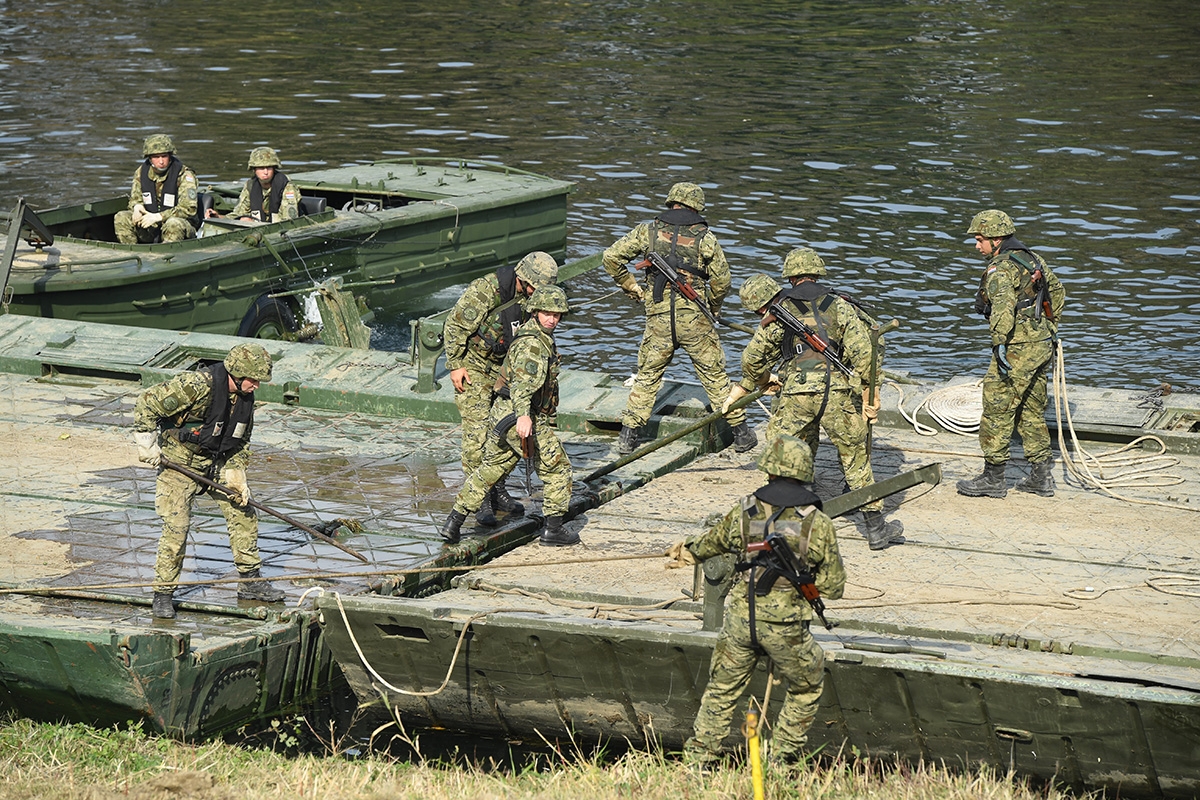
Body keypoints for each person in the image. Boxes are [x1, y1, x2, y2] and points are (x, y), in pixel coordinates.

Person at [667, 434, 846, 767]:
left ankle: (698, 760)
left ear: (770, 470)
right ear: (805, 471)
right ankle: (781, 759)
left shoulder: (746, 510)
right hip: (785, 628)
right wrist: (803, 583)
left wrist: (686, 550)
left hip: (740, 619)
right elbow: (834, 586)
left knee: (721, 690)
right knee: (807, 686)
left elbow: (712, 543)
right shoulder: (817, 523)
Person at [726, 249, 903, 550]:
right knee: (855, 458)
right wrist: (870, 393)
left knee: (785, 453)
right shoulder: (839, 305)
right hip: (837, 392)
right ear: (818, 273)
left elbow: (752, 359)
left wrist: (762, 381)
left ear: (790, 279)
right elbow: (866, 351)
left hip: (796, 395)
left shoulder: (779, 312)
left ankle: (780, 525)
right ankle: (875, 529)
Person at [133, 342, 285, 619]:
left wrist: (236, 474)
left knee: (243, 511)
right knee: (177, 526)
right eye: (253, 380)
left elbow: (242, 440)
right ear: (237, 374)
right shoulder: (196, 385)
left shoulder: (245, 398)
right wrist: (146, 441)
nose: (257, 386)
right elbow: (147, 402)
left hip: (217, 460)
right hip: (179, 461)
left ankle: (250, 582)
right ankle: (163, 594)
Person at [603, 182, 756, 455]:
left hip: (658, 320)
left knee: (647, 376)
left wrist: (631, 286)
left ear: (671, 202)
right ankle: (742, 433)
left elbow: (611, 257)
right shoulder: (705, 238)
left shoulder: (647, 231)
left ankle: (628, 437)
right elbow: (722, 280)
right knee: (715, 376)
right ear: (696, 207)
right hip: (695, 320)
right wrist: (714, 307)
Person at [440, 285, 578, 547]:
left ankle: (454, 522)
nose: (552, 319)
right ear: (535, 312)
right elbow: (523, 386)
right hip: (519, 416)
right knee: (558, 469)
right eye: (547, 313)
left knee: (490, 468)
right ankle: (553, 530)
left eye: (557, 314)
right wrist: (524, 417)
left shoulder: (530, 334)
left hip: (502, 414)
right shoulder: (534, 345)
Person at [957, 210, 1065, 499]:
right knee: (1031, 409)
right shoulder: (1032, 258)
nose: (976, 246)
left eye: (979, 239)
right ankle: (1041, 476)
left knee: (997, 407)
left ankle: (993, 478)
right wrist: (1049, 326)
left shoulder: (1000, 268)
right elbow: (1058, 292)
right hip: (1041, 342)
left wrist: (999, 342)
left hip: (1017, 346)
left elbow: (1003, 306)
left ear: (995, 239)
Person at [114, 133, 200, 244]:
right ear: (149, 158)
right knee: (121, 217)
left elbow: (189, 210)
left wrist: (159, 216)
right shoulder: (141, 173)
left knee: (173, 224)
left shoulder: (184, 175)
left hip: (180, 225)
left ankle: (168, 253)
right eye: (156, 157)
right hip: (151, 224)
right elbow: (135, 199)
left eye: (164, 156)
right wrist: (137, 207)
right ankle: (132, 251)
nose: (161, 161)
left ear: (170, 156)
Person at [210, 147, 301, 223]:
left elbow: (290, 221)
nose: (265, 172)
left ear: (274, 168)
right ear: (254, 169)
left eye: (269, 167)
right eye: (261, 168)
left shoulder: (287, 187)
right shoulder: (251, 185)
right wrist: (218, 217)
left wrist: (254, 223)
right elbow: (239, 213)